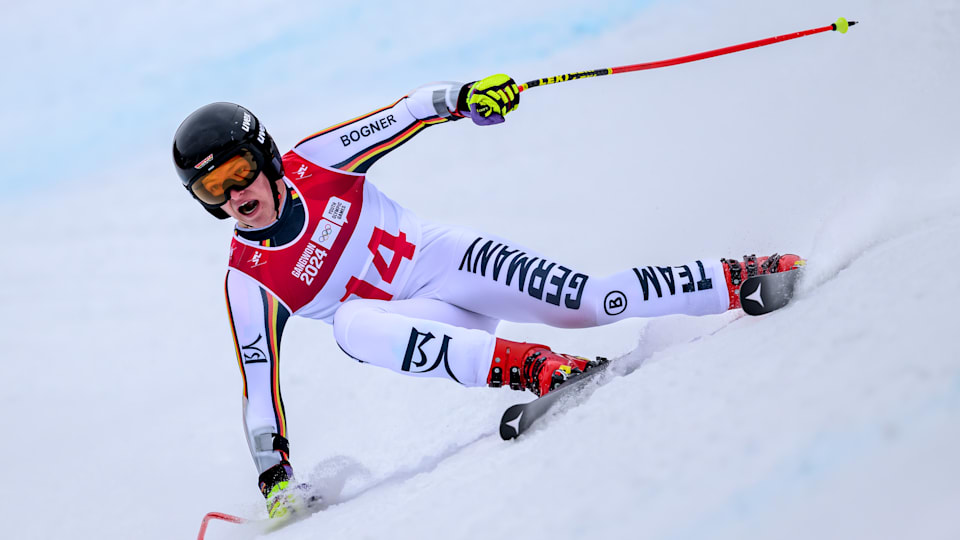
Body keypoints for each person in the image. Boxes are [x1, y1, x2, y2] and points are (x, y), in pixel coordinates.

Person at [172, 74, 802, 518]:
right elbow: (259, 386)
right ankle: (535, 368)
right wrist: (274, 480)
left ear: (266, 159)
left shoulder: (317, 163)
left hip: (449, 261)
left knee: (586, 301)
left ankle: (744, 275)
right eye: (212, 191)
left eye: (238, 173)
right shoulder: (247, 277)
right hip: (427, 321)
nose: (234, 197)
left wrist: (465, 100)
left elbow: (406, 112)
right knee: (352, 326)